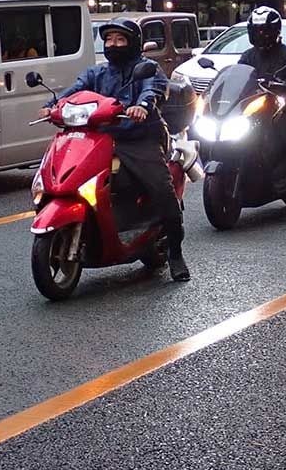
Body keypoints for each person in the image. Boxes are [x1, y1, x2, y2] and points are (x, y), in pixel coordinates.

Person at [41, 18, 190, 282]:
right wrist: (53, 103)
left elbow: (153, 89)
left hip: (139, 139)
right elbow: (75, 91)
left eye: (120, 40)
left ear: (132, 43)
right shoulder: (96, 74)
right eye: (109, 40)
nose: (113, 45)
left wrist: (142, 106)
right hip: (100, 139)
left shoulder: (147, 68)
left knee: (160, 188)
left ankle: (175, 253)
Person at [238, 6, 286, 221]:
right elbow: (238, 77)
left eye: (264, 30)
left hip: (282, 108)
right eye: (256, 30)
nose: (260, 34)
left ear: (274, 31)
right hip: (253, 110)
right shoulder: (248, 55)